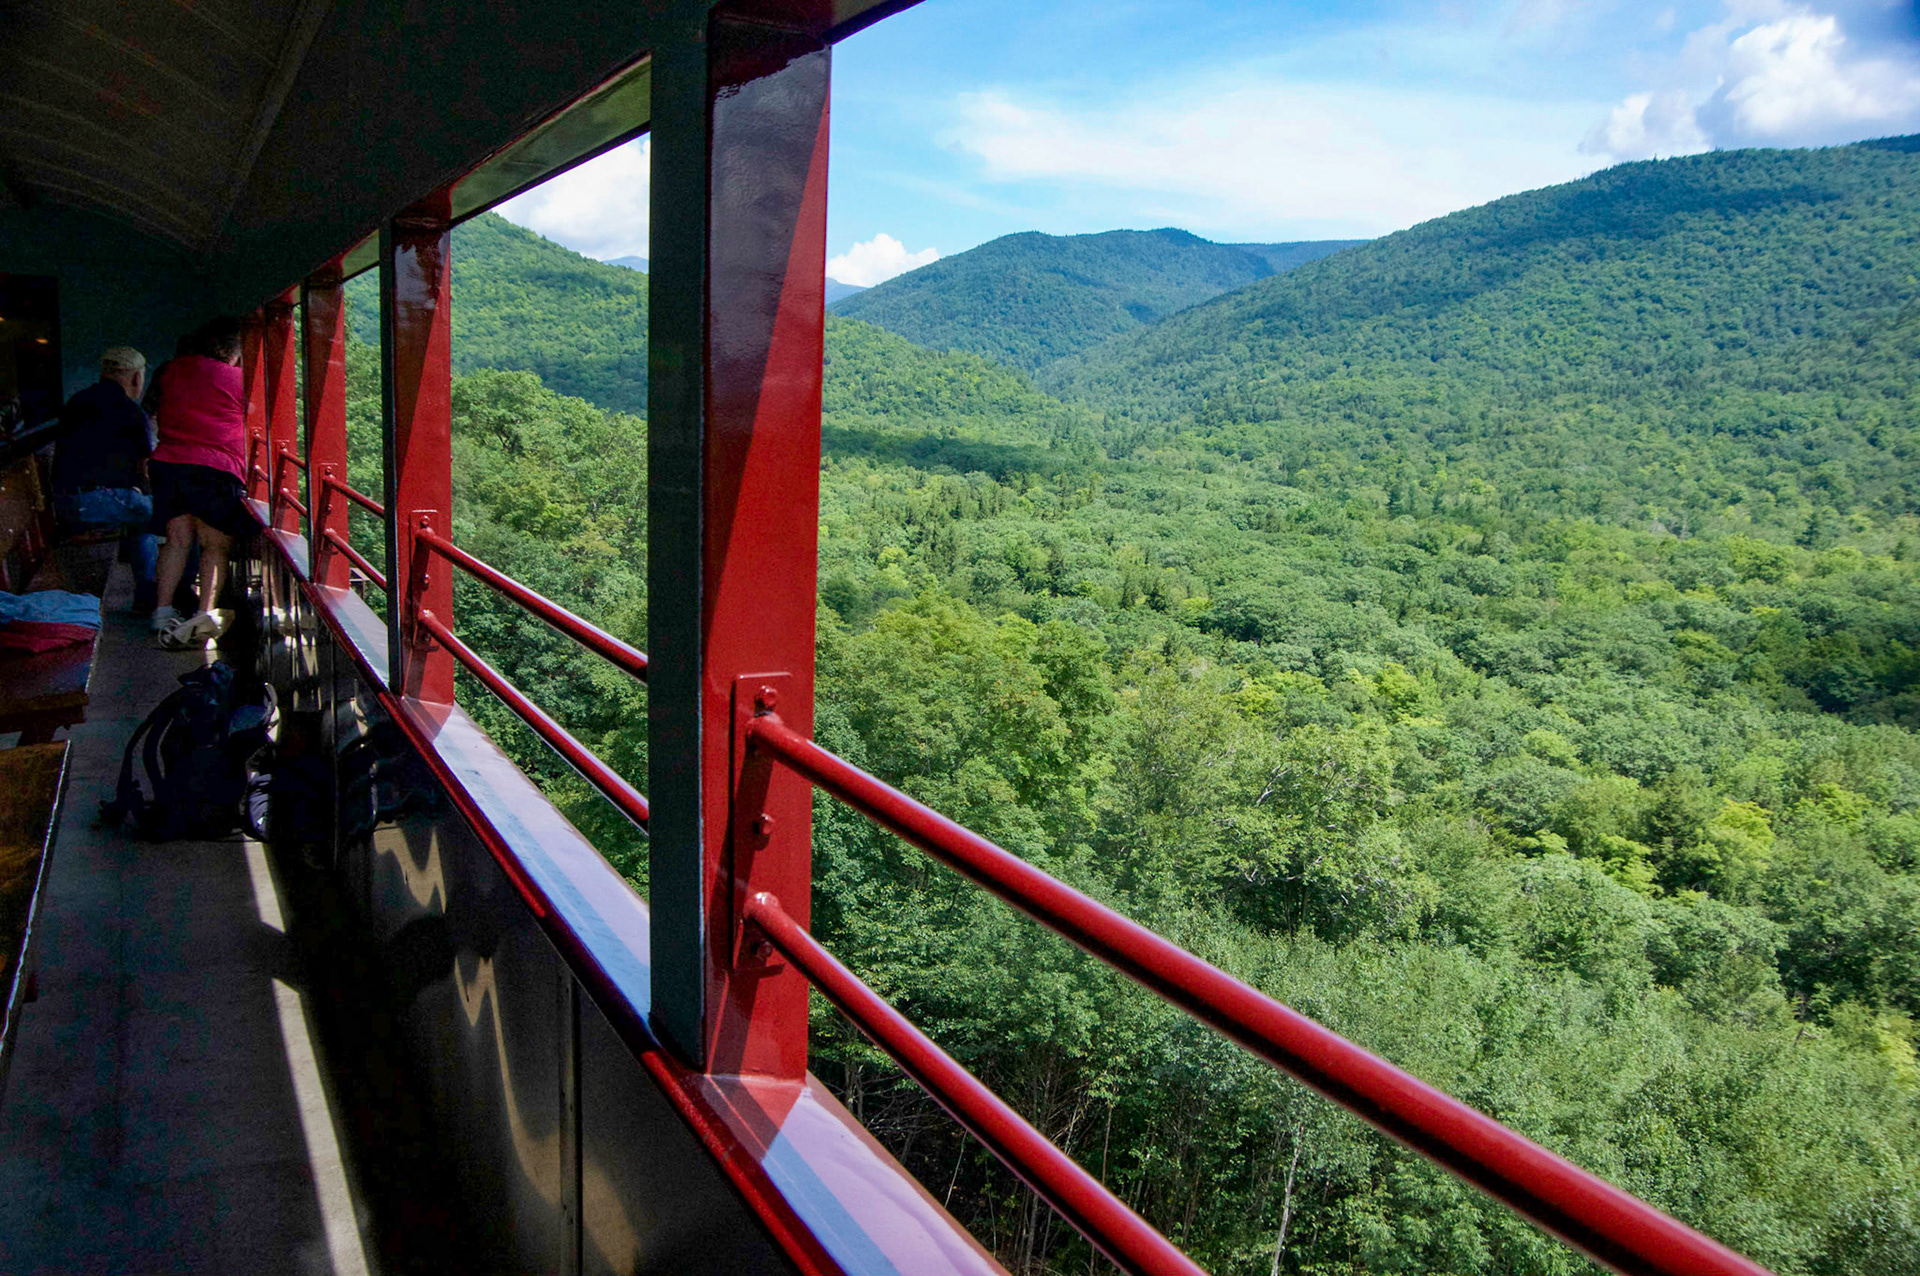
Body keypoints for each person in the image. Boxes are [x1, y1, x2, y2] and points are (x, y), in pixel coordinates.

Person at [149, 317, 251, 647]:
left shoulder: (172, 370)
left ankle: (161, 611)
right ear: (235, 350)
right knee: (214, 545)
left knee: (176, 540)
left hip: (169, 465)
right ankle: (202, 618)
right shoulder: (237, 379)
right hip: (217, 469)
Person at [50, 346, 159, 612]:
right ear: (136, 378)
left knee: (140, 514)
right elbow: (146, 467)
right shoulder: (130, 411)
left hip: (65, 501)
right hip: (93, 502)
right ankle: (162, 599)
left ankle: (149, 596)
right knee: (167, 514)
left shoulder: (75, 402)